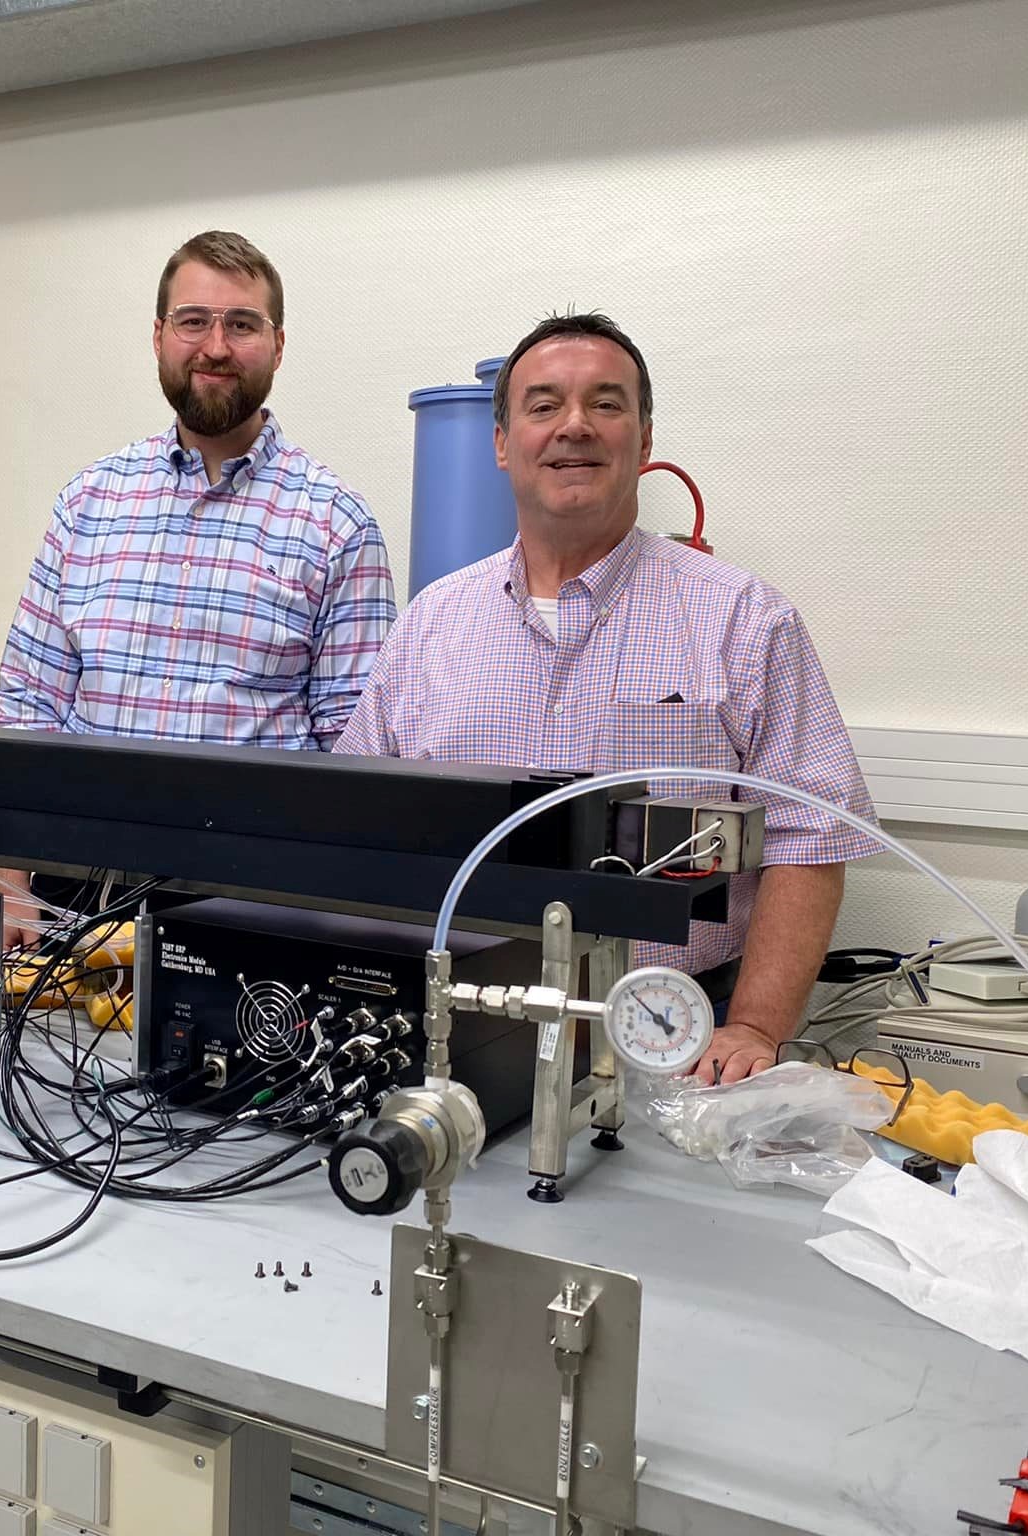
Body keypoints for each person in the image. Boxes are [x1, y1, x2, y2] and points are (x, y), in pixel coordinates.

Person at [337, 312, 881, 1083]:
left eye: (605, 403)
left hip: (674, 1043)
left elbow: (809, 840)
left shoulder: (743, 620)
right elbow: (357, 821)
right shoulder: (432, 622)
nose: (574, 427)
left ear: (645, 439)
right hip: (452, 1033)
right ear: (501, 443)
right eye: (543, 405)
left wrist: (755, 1027)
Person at [0, 230, 397, 944]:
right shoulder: (88, 503)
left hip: (254, 909)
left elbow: (355, 761)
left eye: (242, 324)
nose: (215, 346)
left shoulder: (338, 523)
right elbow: (27, 712)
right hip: (72, 907)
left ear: (276, 343)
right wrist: (9, 887)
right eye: (193, 321)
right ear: (158, 337)